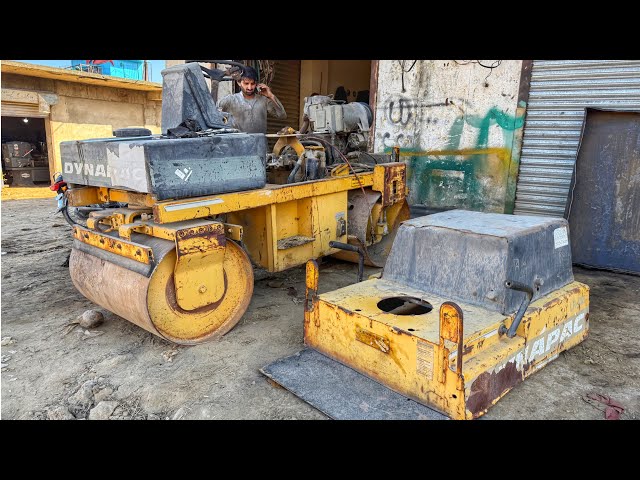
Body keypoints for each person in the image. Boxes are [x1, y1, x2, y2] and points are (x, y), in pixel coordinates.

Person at [217, 66, 286, 134]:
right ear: (239, 83)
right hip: (238, 144)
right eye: (246, 83)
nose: (249, 87)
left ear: (256, 84)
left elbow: (282, 116)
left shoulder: (264, 100)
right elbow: (214, 116)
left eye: (252, 84)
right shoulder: (230, 100)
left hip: (260, 144)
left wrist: (271, 96)